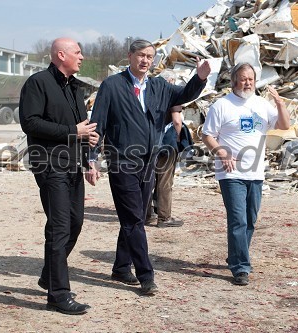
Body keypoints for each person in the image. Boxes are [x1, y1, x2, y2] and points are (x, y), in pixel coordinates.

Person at [86, 39, 211, 295]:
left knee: (136, 217)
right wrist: (91, 158)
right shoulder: (112, 86)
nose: (145, 60)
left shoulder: (158, 86)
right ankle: (146, 275)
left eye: (150, 56)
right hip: (123, 161)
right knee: (134, 220)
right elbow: (97, 124)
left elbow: (184, 95)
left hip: (149, 162)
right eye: (141, 55)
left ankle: (121, 267)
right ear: (130, 56)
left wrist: (199, 79)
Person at [19, 37, 99, 315]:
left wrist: (88, 158)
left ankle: (49, 275)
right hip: (50, 165)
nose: (82, 57)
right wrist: (72, 131)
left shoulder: (75, 88)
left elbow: (82, 129)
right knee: (60, 227)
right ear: (61, 55)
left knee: (75, 223)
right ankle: (58, 294)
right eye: (78, 52)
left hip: (74, 164)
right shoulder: (38, 83)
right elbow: (29, 122)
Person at [201, 62, 290, 286]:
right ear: (234, 81)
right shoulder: (222, 105)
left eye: (251, 78)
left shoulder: (262, 104)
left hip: (256, 172)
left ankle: (235, 255)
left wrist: (279, 104)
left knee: (250, 220)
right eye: (243, 78)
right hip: (230, 173)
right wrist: (222, 153)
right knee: (238, 219)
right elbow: (207, 135)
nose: (247, 82)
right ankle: (240, 267)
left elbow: (284, 125)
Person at [145, 105, 186, 228]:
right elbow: (177, 121)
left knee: (148, 180)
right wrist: (179, 140)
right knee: (165, 181)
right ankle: (164, 217)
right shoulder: (171, 96)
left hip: (148, 141)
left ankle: (146, 215)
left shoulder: (148, 94)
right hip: (167, 143)